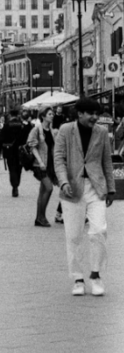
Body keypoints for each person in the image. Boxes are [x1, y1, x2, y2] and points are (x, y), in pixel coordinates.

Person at [54, 98, 115, 296]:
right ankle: (78, 278)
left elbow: (107, 161)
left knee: (99, 231)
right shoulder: (65, 130)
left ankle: (96, 275)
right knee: (74, 235)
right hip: (72, 188)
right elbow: (59, 159)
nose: (95, 117)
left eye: (97, 114)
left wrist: (111, 188)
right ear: (80, 114)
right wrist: (63, 182)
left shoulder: (102, 132)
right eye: (91, 113)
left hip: (96, 187)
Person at [27, 107, 57, 226]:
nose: (52, 115)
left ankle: (38, 218)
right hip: (39, 164)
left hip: (49, 164)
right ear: (43, 116)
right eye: (49, 114)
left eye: (52, 114)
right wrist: (40, 162)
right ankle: (42, 216)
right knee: (49, 188)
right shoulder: (36, 129)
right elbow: (32, 146)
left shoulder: (51, 130)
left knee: (43, 191)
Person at [0, 108, 28, 196]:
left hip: (10, 150)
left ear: (10, 115)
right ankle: (17, 184)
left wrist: (1, 149)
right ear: (18, 115)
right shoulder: (22, 125)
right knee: (19, 169)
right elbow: (26, 138)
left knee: (12, 168)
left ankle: (14, 186)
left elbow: (1, 138)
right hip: (20, 150)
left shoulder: (6, 125)